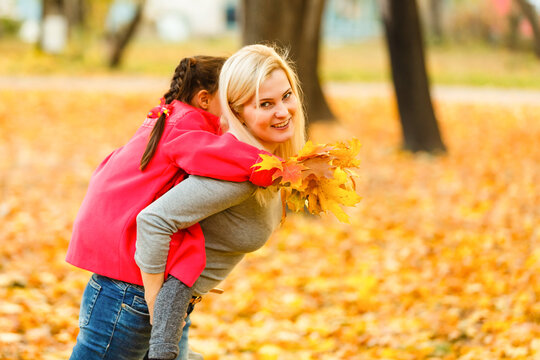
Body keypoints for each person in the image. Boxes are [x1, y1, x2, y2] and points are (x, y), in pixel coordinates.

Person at [67, 54, 276, 360]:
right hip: (133, 286)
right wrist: (271, 166)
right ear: (204, 99)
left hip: (136, 279)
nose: (235, 108)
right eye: (230, 98)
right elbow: (219, 155)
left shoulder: (167, 117)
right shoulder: (188, 128)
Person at [135, 43, 306, 360]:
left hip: (173, 311)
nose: (282, 111)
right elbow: (154, 222)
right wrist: (157, 314)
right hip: (144, 304)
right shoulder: (237, 173)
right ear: (237, 111)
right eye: (265, 104)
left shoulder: (261, 165)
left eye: (286, 96)